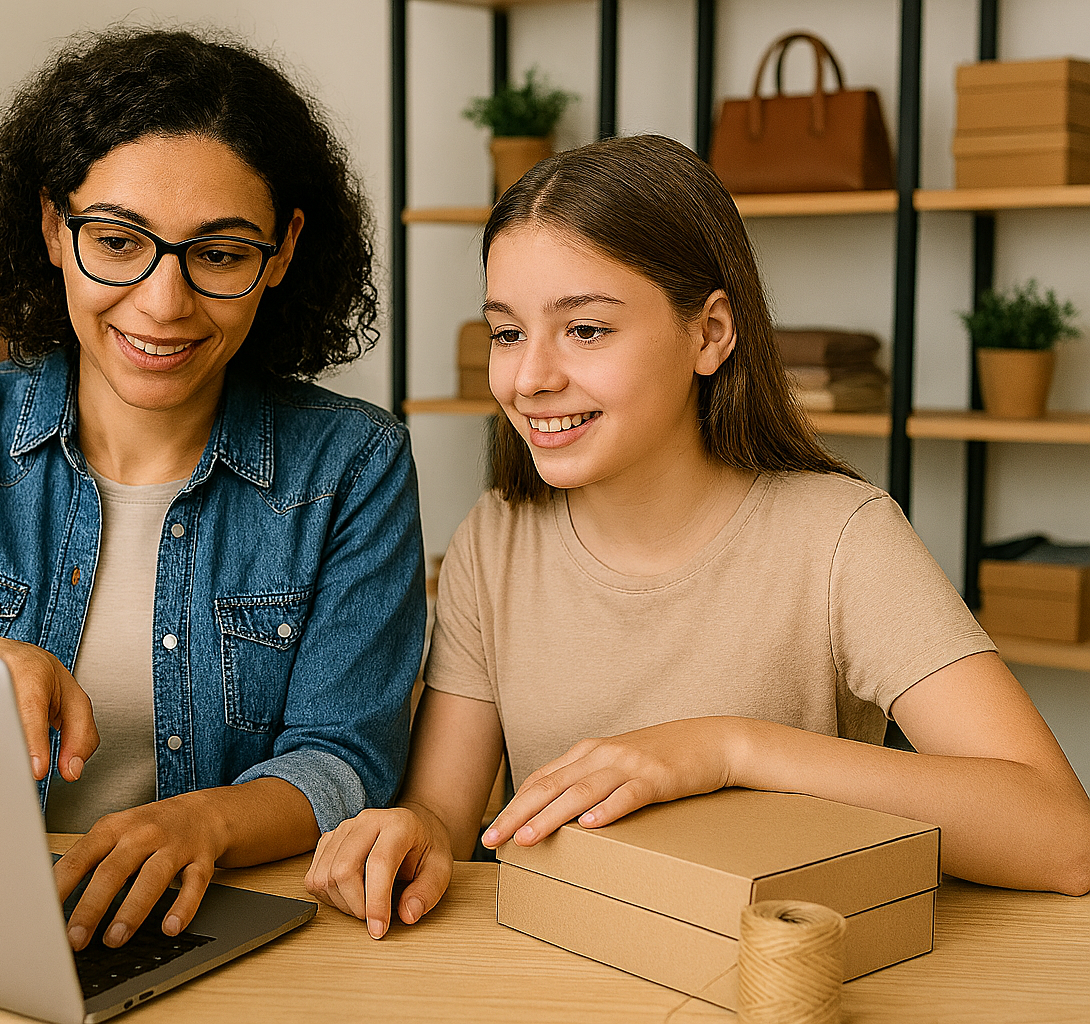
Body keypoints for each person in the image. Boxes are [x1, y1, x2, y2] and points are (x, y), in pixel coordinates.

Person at [306, 134, 1090, 939]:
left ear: (711, 332)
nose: (530, 376)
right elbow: (444, 808)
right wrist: (412, 835)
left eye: (585, 330)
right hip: (565, 970)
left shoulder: (842, 538)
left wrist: (729, 751)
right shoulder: (495, 539)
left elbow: (1065, 839)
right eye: (507, 333)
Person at [0, 29, 425, 952]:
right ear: (53, 227)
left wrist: (204, 823)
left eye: (220, 254)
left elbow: (347, 757)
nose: (163, 303)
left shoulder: (355, 465)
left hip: (231, 929)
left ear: (281, 252)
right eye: (117, 242)